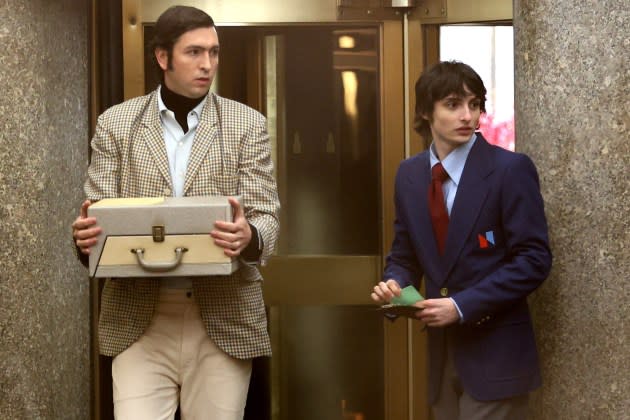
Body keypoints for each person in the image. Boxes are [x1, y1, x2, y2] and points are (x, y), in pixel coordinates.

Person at [71, 6, 280, 419]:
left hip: (223, 316)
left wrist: (249, 236)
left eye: (214, 52)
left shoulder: (246, 124)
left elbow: (266, 215)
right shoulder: (117, 123)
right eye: (194, 52)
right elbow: (96, 215)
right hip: (138, 317)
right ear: (163, 57)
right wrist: (84, 240)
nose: (208, 65)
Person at [371, 61, 551, 420]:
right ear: (426, 111)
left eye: (475, 104)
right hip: (441, 360)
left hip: (497, 355)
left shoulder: (509, 170)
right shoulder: (409, 175)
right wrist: (395, 285)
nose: (467, 115)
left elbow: (534, 259)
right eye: (453, 104)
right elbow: (405, 254)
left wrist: (461, 305)